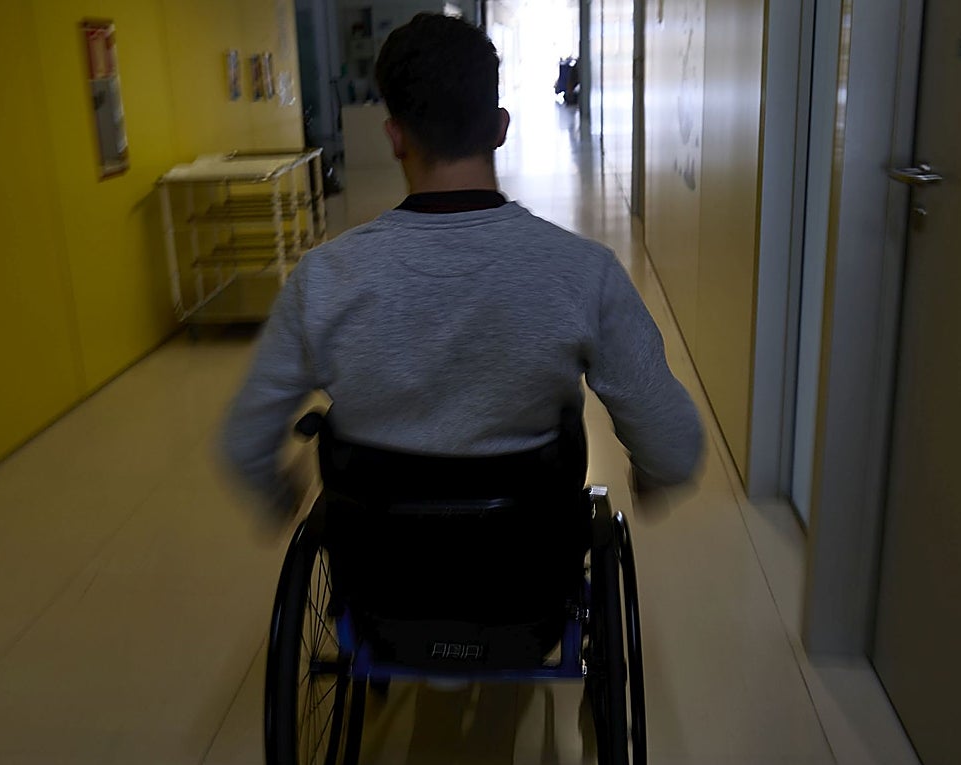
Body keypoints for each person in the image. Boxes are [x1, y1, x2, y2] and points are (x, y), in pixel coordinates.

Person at [221, 13, 703, 522]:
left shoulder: (322, 280)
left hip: (380, 570)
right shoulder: (583, 273)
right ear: (500, 128)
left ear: (395, 137)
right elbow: (674, 447)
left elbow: (244, 442)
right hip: (529, 565)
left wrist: (278, 498)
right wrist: (650, 480)